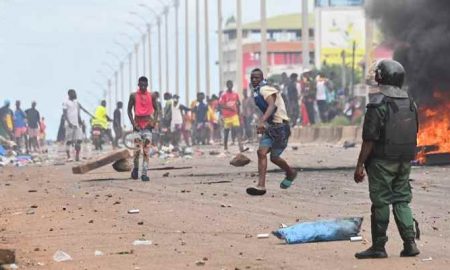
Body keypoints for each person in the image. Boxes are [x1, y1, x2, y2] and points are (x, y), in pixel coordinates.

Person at [354, 60, 420, 259]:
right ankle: (410, 244)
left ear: (380, 77)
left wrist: (359, 166)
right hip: (404, 160)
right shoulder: (410, 102)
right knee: (401, 200)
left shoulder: (377, 103)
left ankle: (378, 247)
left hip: (382, 162)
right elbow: (415, 131)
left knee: (381, 202)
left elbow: (369, 139)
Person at [246, 68, 297, 196]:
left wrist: (262, 121)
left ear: (262, 78)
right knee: (261, 152)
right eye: (252, 78)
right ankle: (261, 186)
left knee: (274, 158)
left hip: (280, 128)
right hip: (271, 127)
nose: (254, 80)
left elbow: (272, 106)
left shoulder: (265, 89)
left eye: (257, 78)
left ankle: (290, 172)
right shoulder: (257, 92)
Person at [127, 76, 159, 182]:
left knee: (146, 151)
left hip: (148, 127)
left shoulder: (152, 96)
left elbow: (157, 109)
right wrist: (133, 123)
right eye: (141, 85)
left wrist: (153, 122)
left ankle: (144, 173)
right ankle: (136, 170)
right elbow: (128, 110)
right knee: (136, 151)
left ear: (147, 85)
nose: (143, 87)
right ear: (138, 85)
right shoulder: (133, 96)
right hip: (137, 127)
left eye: (145, 85)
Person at [219, 80, 244, 151]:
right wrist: (229, 108)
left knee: (237, 129)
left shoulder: (235, 94)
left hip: (234, 115)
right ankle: (225, 146)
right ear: (227, 85)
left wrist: (239, 114)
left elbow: (238, 104)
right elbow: (221, 105)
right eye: (229, 84)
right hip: (227, 116)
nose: (230, 86)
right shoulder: (223, 95)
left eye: (231, 84)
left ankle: (240, 146)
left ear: (232, 85)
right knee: (226, 131)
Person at [63, 89, 83, 161]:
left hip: (77, 124)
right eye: (74, 93)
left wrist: (80, 122)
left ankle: (77, 156)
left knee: (79, 140)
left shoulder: (76, 102)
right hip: (69, 124)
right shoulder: (66, 102)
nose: (75, 95)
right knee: (69, 141)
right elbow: (64, 114)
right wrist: (69, 123)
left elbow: (78, 113)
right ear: (70, 94)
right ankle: (69, 157)